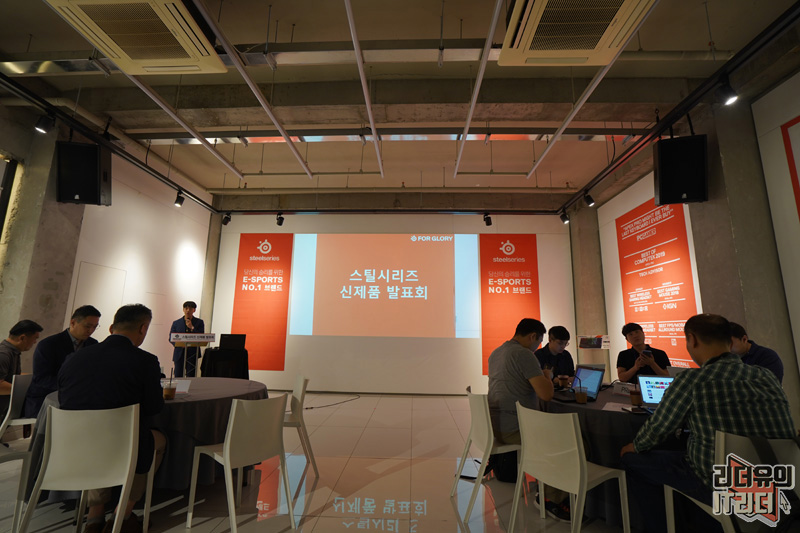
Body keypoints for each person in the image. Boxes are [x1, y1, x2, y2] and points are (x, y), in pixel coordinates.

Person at [620, 314, 795, 533]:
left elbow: (657, 430)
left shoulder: (692, 380)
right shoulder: (765, 376)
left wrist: (634, 446)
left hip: (720, 483)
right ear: (730, 341)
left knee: (632, 460)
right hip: (780, 481)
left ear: (692, 340)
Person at [59, 304, 166, 533]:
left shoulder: (73, 358)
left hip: (72, 445)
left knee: (96, 441)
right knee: (155, 440)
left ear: (110, 328)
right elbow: (154, 407)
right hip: (119, 445)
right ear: (143, 328)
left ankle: (94, 517)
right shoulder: (145, 361)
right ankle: (122, 515)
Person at [22, 305, 101, 417]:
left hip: (77, 399)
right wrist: (72, 387)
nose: (91, 331)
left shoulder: (93, 344)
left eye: (95, 327)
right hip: (45, 399)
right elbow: (41, 379)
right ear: (73, 323)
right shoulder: (49, 344)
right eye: (87, 326)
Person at [0, 320, 43, 418]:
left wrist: (36, 379)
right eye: (35, 338)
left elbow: (12, 376)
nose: (35, 342)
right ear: (22, 338)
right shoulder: (3, 354)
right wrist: (28, 390)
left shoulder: (13, 352)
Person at [170, 300, 204, 377]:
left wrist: (192, 327)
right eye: (186, 308)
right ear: (183, 309)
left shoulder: (199, 322)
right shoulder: (176, 323)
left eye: (190, 309)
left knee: (191, 376)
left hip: (192, 353)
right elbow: (171, 338)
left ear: (194, 310)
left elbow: (201, 336)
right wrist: (178, 344)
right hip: (179, 353)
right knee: (178, 375)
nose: (188, 310)